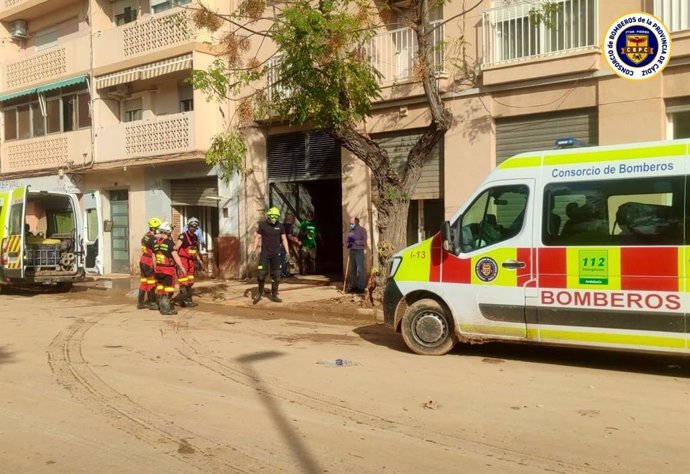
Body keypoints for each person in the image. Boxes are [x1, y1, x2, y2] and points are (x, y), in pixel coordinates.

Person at [252, 207, 290, 304]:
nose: (274, 219)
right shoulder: (262, 225)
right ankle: (260, 293)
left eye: (276, 217)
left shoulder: (280, 226)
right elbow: (257, 237)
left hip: (276, 254)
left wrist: (287, 252)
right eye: (272, 217)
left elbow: (284, 239)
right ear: (268, 216)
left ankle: (274, 295)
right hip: (265, 254)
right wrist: (254, 250)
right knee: (261, 275)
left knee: (277, 276)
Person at [154, 222, 186, 315]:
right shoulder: (169, 242)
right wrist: (181, 266)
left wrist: (155, 267)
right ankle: (166, 309)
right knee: (168, 289)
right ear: (168, 232)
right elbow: (175, 255)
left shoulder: (156, 243)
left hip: (158, 269)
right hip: (168, 270)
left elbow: (153, 255)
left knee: (161, 288)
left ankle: (161, 306)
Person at [175, 217, 203, 307]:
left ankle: (189, 299)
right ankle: (184, 301)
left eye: (195, 227)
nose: (193, 229)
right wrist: (176, 261)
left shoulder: (194, 236)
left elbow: (195, 249)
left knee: (190, 281)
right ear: (188, 226)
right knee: (183, 280)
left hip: (191, 261)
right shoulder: (183, 236)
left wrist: (199, 261)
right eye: (192, 227)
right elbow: (176, 248)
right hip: (183, 260)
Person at [137, 217, 161, 310]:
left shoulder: (145, 236)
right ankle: (152, 303)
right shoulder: (153, 239)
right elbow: (154, 254)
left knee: (144, 282)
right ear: (155, 228)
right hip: (149, 262)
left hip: (142, 260)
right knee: (151, 283)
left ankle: (140, 303)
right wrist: (155, 266)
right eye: (158, 228)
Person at [346, 217, 367, 293]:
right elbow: (348, 242)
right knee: (353, 270)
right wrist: (349, 244)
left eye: (352, 223)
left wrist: (357, 242)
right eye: (350, 224)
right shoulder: (350, 231)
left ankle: (361, 287)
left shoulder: (362, 230)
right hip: (352, 251)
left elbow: (364, 241)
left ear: (357, 222)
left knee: (360, 269)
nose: (351, 225)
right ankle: (353, 286)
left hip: (359, 251)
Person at [298, 210, 320, 274]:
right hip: (305, 244)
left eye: (311, 216)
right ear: (306, 216)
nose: (309, 217)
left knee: (312, 259)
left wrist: (321, 241)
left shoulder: (315, 224)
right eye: (308, 216)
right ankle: (304, 271)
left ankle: (313, 272)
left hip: (313, 244)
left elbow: (318, 233)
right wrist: (305, 233)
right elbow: (300, 234)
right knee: (304, 258)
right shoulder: (304, 223)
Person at [280, 211, 301, 277]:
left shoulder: (282, 225)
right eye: (294, 219)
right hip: (283, 245)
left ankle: (284, 272)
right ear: (291, 219)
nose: (294, 220)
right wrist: (297, 241)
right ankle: (283, 273)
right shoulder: (289, 226)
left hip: (279, 244)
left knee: (283, 259)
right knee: (284, 259)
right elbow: (289, 236)